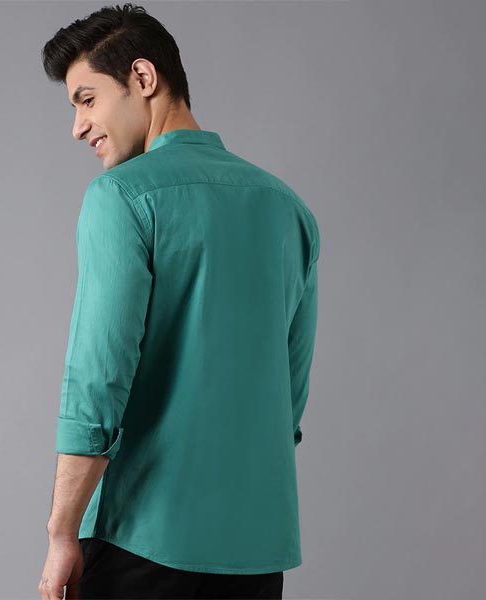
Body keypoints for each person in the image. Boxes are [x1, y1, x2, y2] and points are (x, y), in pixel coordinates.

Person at [38, 4, 320, 599]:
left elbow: (97, 381)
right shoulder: (289, 208)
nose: (78, 127)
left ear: (143, 77)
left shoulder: (120, 196)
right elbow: (288, 396)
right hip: (255, 550)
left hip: (141, 540)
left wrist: (62, 533)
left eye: (87, 99)